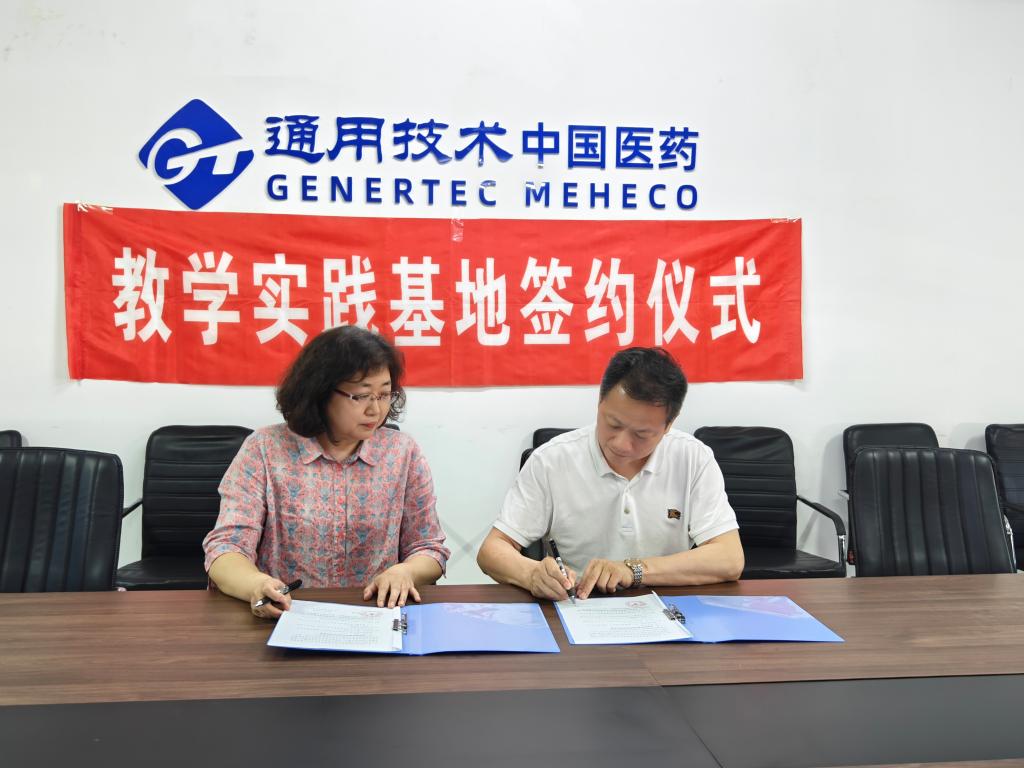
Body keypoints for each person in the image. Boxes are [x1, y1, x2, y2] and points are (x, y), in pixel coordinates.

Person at [203, 326, 449, 618]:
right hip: (286, 613)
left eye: (384, 394)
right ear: (320, 392)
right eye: (361, 396)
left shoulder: (402, 452)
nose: (375, 409)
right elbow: (226, 546)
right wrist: (256, 584)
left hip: (374, 613)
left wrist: (406, 571)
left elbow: (428, 546)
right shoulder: (265, 449)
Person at [477, 347, 743, 601]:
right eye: (613, 424)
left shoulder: (692, 458)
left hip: (666, 611)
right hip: (578, 607)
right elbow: (492, 550)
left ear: (668, 425)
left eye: (642, 434)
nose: (622, 444)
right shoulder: (551, 460)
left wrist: (633, 570)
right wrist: (532, 574)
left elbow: (729, 558)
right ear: (600, 402)